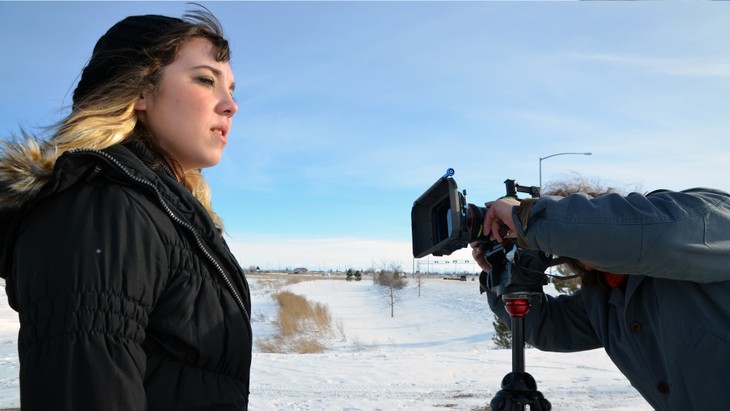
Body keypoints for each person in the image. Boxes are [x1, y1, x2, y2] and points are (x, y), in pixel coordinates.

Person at [0, 7, 251, 410]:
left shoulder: (161, 213)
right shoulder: (100, 209)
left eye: (233, 90)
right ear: (138, 90)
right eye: (206, 80)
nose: (230, 105)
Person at [471, 186, 730, 410]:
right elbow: (550, 327)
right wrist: (502, 274)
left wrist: (528, 217)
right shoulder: (605, 296)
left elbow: (656, 233)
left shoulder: (711, 218)